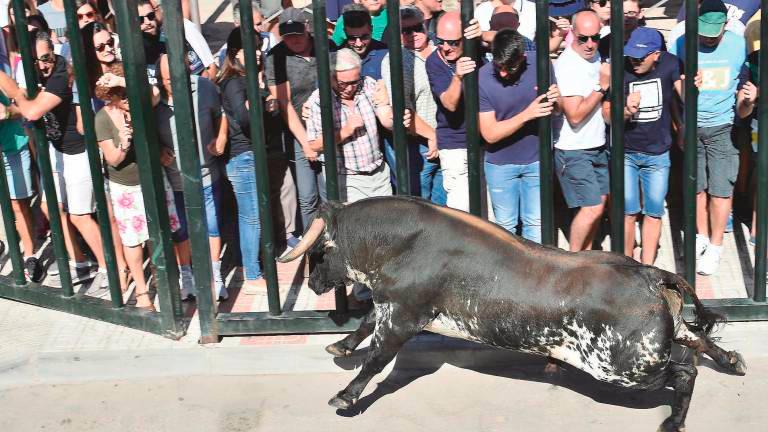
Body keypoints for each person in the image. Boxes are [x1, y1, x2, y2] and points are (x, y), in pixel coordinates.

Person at [0, 30, 108, 285]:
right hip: (56, 149)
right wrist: (13, 107)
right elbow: (26, 102)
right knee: (49, 207)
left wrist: (14, 95)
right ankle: (79, 262)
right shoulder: (33, 72)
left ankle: (108, 270)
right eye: (37, 60)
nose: (43, 64)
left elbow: (33, 109)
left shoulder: (61, 72)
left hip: (78, 151)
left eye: (47, 57)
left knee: (80, 217)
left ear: (54, 52)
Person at [93, 64, 181, 310]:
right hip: (126, 186)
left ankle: (161, 282)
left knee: (158, 234)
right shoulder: (103, 118)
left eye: (128, 91)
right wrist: (124, 139)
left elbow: (153, 93)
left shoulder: (142, 105)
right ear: (110, 97)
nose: (127, 98)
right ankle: (142, 291)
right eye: (120, 95)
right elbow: (114, 160)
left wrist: (123, 81)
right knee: (133, 241)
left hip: (153, 178)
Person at [670, 0, 747, 275]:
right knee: (696, 187)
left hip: (723, 126)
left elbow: (744, 83)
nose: (706, 38)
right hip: (691, 126)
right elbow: (672, 84)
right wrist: (679, 123)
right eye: (703, 32)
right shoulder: (680, 41)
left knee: (721, 189)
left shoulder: (739, 44)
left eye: (713, 33)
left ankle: (715, 246)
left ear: (726, 26)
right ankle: (701, 237)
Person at [601, 27, 684, 265]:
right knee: (628, 212)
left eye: (641, 57)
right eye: (631, 56)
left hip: (658, 154)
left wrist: (692, 90)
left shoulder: (670, 64)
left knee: (654, 212)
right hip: (626, 153)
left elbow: (680, 99)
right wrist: (626, 111)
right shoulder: (621, 69)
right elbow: (606, 115)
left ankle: (647, 267)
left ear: (656, 54)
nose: (634, 61)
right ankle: (628, 265)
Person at [478, 29, 560, 242]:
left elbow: (558, 110)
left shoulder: (541, 64)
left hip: (536, 160)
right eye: (499, 67)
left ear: (522, 57)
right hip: (500, 164)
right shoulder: (483, 77)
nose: (503, 73)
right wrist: (528, 114)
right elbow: (490, 134)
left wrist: (556, 101)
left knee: (536, 224)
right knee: (505, 229)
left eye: (509, 67)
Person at [155, 53, 222, 300]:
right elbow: (146, 130)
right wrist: (159, 149)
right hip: (175, 179)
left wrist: (220, 137)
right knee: (180, 230)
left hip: (206, 173)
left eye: (178, 77)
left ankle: (216, 277)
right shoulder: (155, 98)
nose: (173, 83)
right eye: (167, 79)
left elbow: (220, 114)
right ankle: (186, 276)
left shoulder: (204, 88)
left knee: (212, 226)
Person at [217, 29, 276, 296]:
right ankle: (252, 273)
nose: (257, 53)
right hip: (244, 157)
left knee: (254, 215)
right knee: (251, 217)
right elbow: (244, 119)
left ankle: (254, 266)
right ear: (234, 53)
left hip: (250, 155)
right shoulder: (234, 82)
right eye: (250, 48)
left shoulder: (243, 79)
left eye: (258, 47)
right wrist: (262, 96)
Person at [553, 9, 610, 252]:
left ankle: (586, 256)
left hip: (596, 144)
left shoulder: (595, 57)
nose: (590, 44)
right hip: (573, 149)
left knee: (601, 204)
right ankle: (573, 262)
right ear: (571, 35)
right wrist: (601, 87)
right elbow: (574, 115)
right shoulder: (568, 65)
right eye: (583, 38)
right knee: (592, 207)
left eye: (595, 37)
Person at [266, 7, 327, 233]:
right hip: (299, 131)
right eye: (288, 36)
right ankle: (312, 243)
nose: (294, 40)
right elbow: (285, 103)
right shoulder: (276, 57)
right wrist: (305, 143)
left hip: (330, 128)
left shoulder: (325, 46)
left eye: (298, 34)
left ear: (307, 29)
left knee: (330, 191)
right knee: (307, 195)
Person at [381, 5, 445, 204]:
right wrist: (432, 136)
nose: (414, 34)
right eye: (406, 30)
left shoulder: (442, 47)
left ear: (425, 25)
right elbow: (403, 108)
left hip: (449, 140)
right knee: (420, 206)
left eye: (417, 27)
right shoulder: (397, 60)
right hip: (418, 143)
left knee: (446, 208)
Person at [426, 11, 481, 212]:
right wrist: (457, 77)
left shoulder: (478, 49)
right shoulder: (435, 61)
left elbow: (516, 40)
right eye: (441, 41)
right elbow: (449, 104)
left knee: (489, 211)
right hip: (455, 143)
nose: (446, 47)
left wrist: (483, 35)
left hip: (484, 141)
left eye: (453, 42)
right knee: (462, 210)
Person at [137, 0, 217, 82]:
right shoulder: (129, 47)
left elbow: (210, 70)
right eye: (140, 20)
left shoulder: (181, 28)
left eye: (151, 16)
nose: (148, 22)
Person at [339, 3, 388, 81]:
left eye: (364, 37)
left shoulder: (386, 55)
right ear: (345, 32)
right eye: (352, 38)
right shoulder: (336, 56)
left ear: (371, 29)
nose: (358, 44)